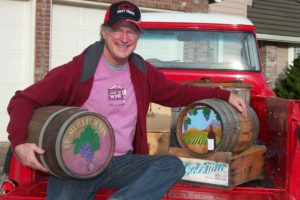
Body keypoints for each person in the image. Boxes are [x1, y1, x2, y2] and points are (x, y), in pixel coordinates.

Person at [7, 1, 247, 199]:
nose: (124, 38)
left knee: (171, 166)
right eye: (117, 30)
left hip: (122, 164)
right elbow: (23, 100)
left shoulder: (142, 72)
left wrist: (223, 94)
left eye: (131, 31)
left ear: (138, 35)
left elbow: (179, 94)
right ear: (104, 32)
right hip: (78, 167)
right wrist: (19, 144)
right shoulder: (78, 71)